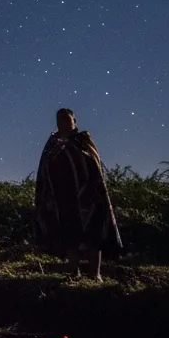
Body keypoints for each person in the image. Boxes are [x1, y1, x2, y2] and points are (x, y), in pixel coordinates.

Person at [35, 109, 122, 281]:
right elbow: (44, 167)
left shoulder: (83, 139)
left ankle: (95, 274)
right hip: (62, 197)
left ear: (74, 120)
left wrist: (73, 149)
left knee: (93, 235)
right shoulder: (52, 143)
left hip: (88, 196)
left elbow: (93, 162)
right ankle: (74, 272)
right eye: (59, 119)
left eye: (66, 119)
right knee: (69, 235)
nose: (63, 122)